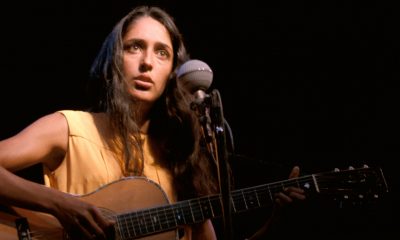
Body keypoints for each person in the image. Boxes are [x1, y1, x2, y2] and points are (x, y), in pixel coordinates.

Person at [0, 5, 305, 240]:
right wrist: (59, 204)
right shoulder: (70, 128)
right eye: (135, 46)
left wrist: (275, 223)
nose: (147, 62)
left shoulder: (182, 160)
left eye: (162, 53)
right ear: (115, 58)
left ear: (174, 72)